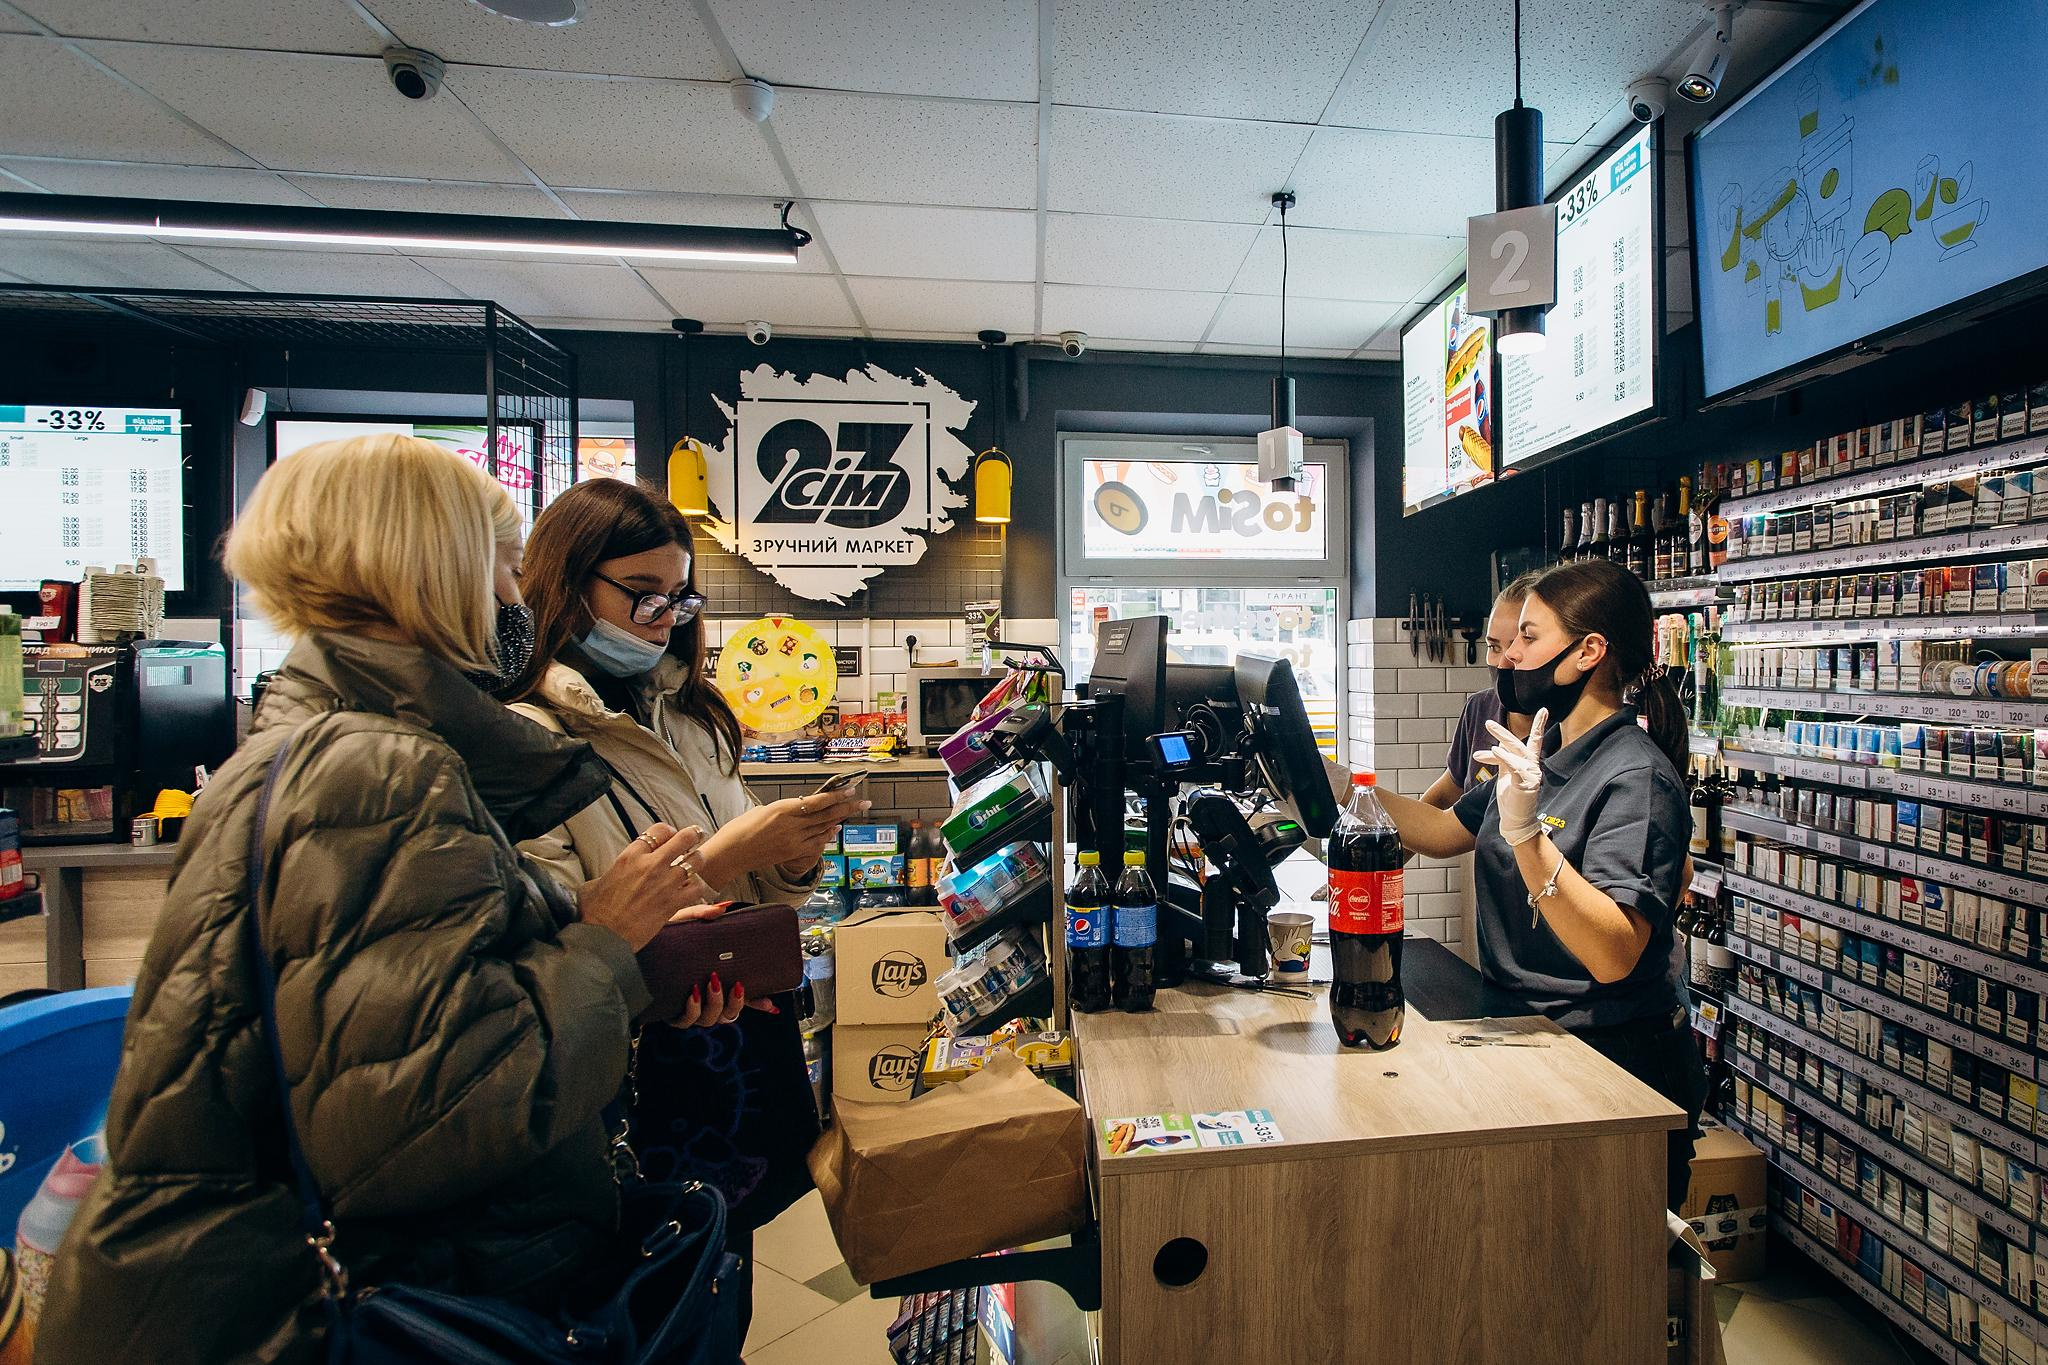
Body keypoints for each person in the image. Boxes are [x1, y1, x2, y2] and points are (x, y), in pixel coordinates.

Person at [36, 436, 727, 1364]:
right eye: (503, 566)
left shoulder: (319, 740)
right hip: (368, 1307)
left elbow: (395, 1030)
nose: (519, 599)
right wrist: (605, 939)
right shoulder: (373, 769)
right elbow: (433, 1117)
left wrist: (623, 960)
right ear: (431, 571)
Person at [504, 478, 867, 1337]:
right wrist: (728, 854)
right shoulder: (526, 738)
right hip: (622, 1082)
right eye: (642, 594)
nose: (664, 618)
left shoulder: (694, 718)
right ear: (566, 583)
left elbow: (749, 892)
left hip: (729, 1052)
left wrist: (790, 859)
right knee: (637, 1305)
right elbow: (547, 934)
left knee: (717, 1281)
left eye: (678, 596)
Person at [1372, 557, 1704, 1208]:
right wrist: (1330, 783)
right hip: (1527, 1040)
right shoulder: (1541, 757)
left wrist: (1528, 835)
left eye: (1528, 637)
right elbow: (1438, 831)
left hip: (1610, 1067)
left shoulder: (1634, 777)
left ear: (1588, 652)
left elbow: (1612, 952)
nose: (1510, 657)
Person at [1419, 572, 1537, 809]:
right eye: (1494, 646)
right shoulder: (1480, 708)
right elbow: (1443, 799)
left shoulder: (1568, 727)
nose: (1503, 661)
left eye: (1519, 644)